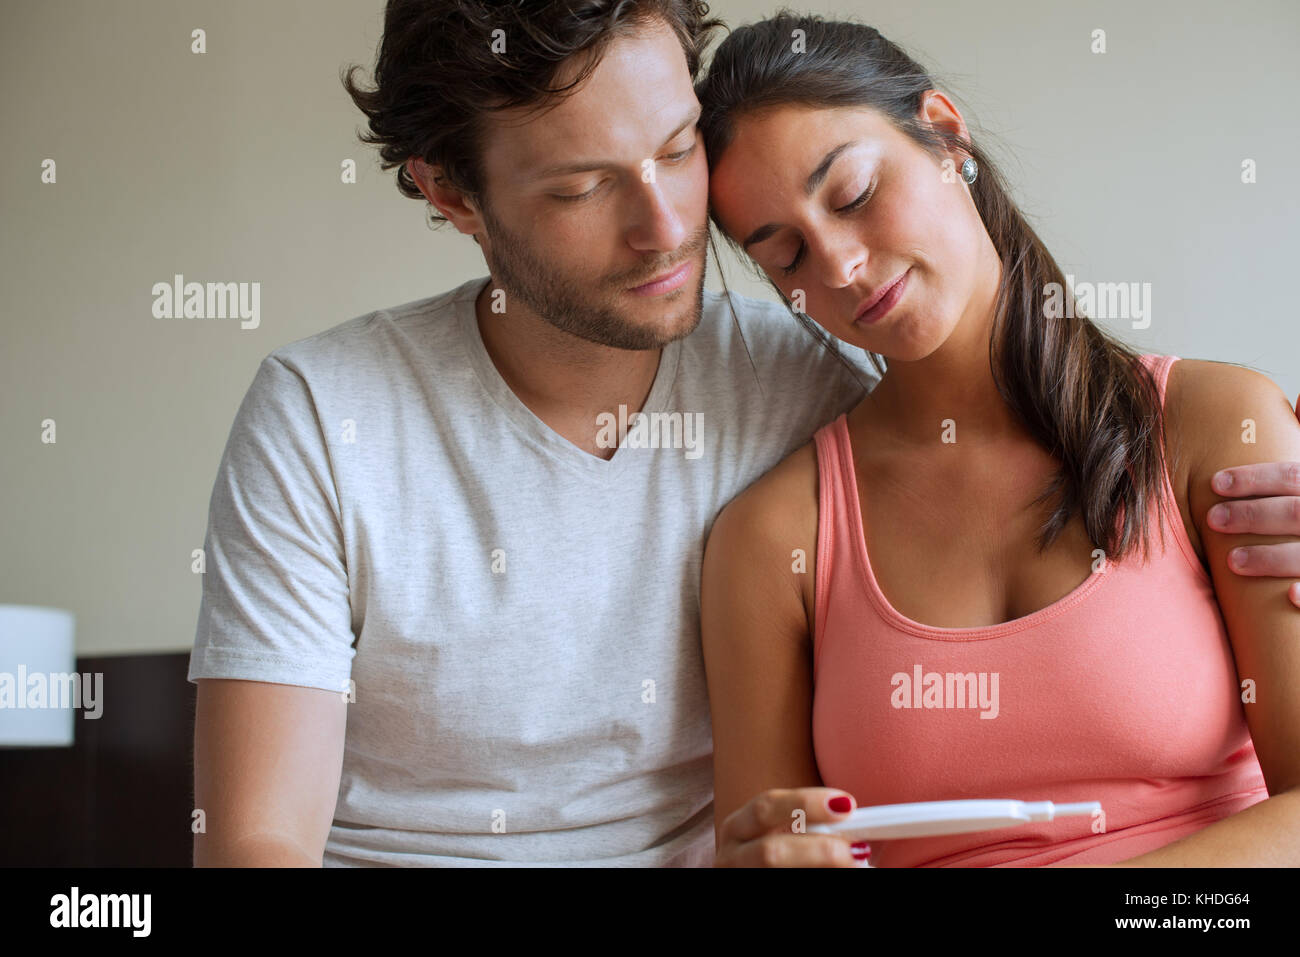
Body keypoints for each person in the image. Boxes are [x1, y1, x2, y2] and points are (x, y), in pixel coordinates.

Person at [189, 1, 1300, 868]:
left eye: (677, 152)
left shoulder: (808, 377)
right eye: (583, 187)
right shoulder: (327, 417)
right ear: (455, 198)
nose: (666, 227)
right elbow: (255, 842)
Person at [696, 11, 1300, 867]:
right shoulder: (772, 538)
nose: (838, 266)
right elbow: (773, 845)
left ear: (945, 136)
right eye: (787, 254)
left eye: (854, 196)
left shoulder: (1212, 426)